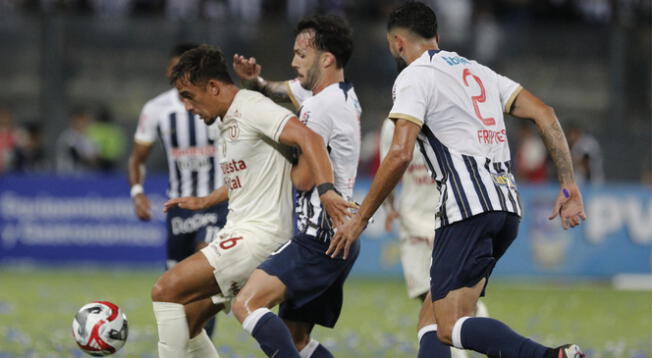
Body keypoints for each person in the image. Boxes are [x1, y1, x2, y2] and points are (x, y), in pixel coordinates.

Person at [329, 2, 588, 358]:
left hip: (466, 208)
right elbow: (545, 113)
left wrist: (360, 218)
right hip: (506, 207)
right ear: (437, 36)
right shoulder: (480, 72)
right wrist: (569, 184)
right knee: (435, 317)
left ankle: (548, 356)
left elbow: (400, 153)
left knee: (449, 326)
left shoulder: (414, 76)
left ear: (397, 44)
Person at [152, 44, 353, 358]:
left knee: (166, 290)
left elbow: (308, 137)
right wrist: (207, 200)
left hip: (258, 236)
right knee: (189, 321)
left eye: (189, 96)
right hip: (242, 231)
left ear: (214, 86)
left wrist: (327, 189)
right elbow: (248, 177)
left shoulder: (251, 107)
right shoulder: (228, 118)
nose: (188, 107)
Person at [230, 15, 360, 358]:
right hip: (340, 237)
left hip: (318, 238)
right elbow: (280, 89)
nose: (293, 62)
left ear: (326, 59)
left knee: (246, 303)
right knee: (297, 341)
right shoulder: (342, 95)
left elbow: (302, 178)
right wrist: (254, 81)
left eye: (301, 55)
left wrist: (278, 149)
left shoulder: (319, 106)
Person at [128, 43, 227, 338]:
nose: (178, 74)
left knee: (207, 272)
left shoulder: (217, 103)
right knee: (178, 290)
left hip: (216, 202)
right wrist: (137, 191)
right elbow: (137, 158)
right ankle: (188, 343)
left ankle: (201, 340)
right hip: (179, 207)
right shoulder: (156, 109)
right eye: (175, 68)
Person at [380, 118, 488, 358]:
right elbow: (388, 166)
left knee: (456, 299)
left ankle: (484, 345)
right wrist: (389, 207)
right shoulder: (392, 126)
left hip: (450, 220)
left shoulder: (450, 117)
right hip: (412, 224)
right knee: (426, 299)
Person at [55, 106, 98, 174]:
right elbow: (75, 155)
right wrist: (88, 159)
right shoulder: (67, 136)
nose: (82, 123)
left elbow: (94, 158)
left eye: (84, 120)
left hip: (85, 175)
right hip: (68, 175)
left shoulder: (89, 137)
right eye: (79, 120)